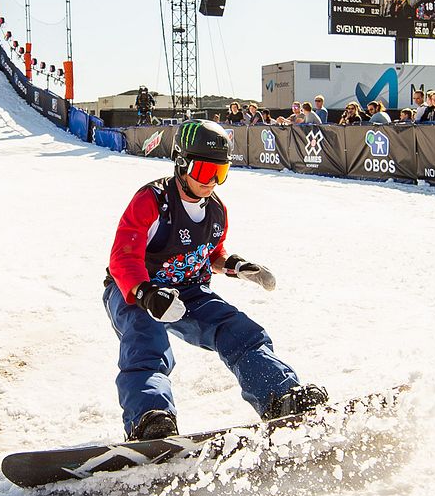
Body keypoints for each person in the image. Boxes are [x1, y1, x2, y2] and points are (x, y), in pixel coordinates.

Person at [103, 119, 328, 440]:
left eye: (220, 173)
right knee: (147, 343)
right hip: (137, 289)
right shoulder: (152, 201)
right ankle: (150, 419)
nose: (212, 183)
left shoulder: (216, 210)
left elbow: (211, 253)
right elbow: (122, 257)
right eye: (205, 172)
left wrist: (241, 267)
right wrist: (148, 295)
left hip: (189, 290)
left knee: (240, 332)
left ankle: (281, 397)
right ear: (181, 163)